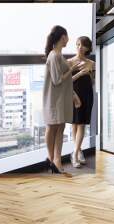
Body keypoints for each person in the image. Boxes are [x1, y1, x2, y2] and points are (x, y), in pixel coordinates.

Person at [43, 25, 81, 174]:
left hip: (59, 97)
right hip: (54, 98)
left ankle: (55, 160)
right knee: (53, 127)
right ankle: (52, 159)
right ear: (63, 37)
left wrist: (73, 95)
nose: (69, 39)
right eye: (67, 36)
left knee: (59, 127)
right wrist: (71, 69)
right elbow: (58, 80)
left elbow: (64, 81)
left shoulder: (57, 55)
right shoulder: (54, 55)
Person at [67, 36, 95, 168]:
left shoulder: (91, 63)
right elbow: (65, 82)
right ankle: (77, 153)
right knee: (74, 124)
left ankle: (76, 152)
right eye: (78, 44)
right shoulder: (69, 62)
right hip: (73, 95)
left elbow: (93, 81)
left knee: (82, 124)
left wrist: (88, 72)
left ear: (88, 48)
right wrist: (79, 73)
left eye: (83, 45)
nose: (79, 47)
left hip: (87, 94)